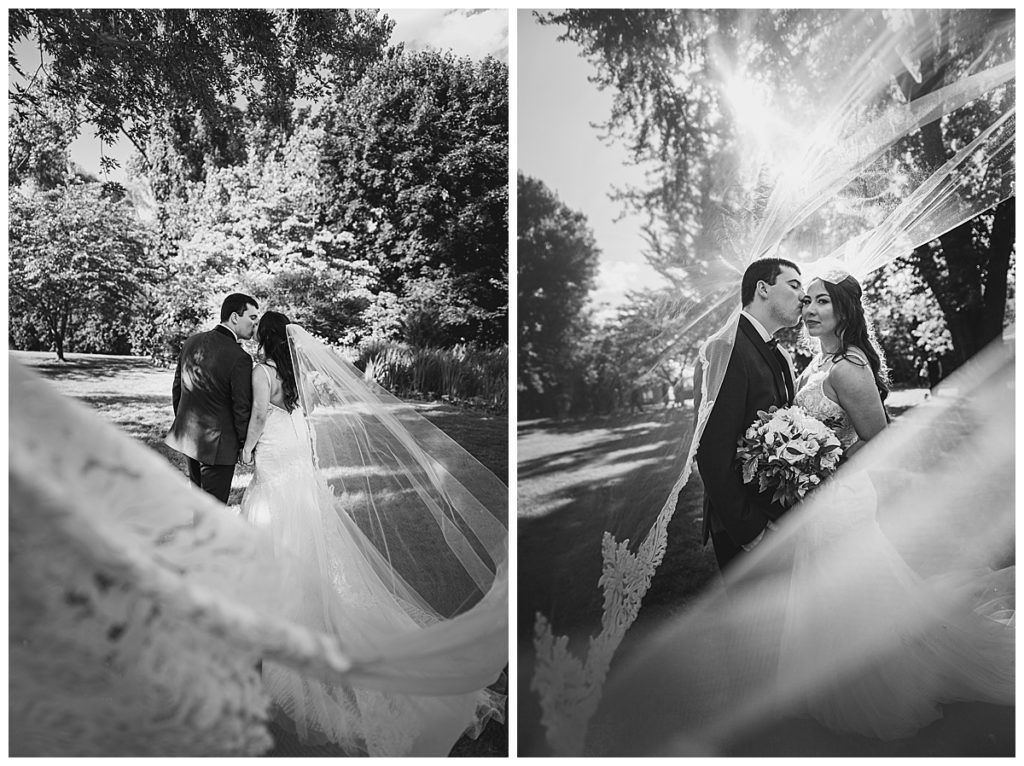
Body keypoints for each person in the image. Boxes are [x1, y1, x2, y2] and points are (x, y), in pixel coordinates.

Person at [237, 311, 505, 756]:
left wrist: (247, 447)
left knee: (273, 514)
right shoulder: (293, 370)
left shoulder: (261, 371)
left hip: (272, 447)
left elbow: (262, 413)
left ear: (263, 336)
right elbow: (306, 409)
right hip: (298, 447)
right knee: (302, 514)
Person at [777, 270, 1014, 740]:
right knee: (826, 589)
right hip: (819, 497)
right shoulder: (815, 365)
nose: (809, 310)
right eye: (806, 301)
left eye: (822, 302)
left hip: (843, 496)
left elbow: (877, 435)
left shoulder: (849, 366)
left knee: (854, 591)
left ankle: (876, 687)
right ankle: (830, 677)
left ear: (844, 309)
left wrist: (821, 467)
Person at [695, 257, 805, 571]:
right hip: (745, 526)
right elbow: (712, 450)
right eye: (794, 285)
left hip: (777, 512)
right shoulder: (724, 347)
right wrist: (750, 531)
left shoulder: (780, 352)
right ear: (763, 289)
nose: (803, 296)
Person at [164, 293, 259, 504]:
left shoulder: (191, 342)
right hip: (219, 448)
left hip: (190, 438)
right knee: (213, 511)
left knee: (200, 506)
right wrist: (246, 446)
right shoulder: (239, 357)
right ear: (235, 317)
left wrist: (185, 425)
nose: (255, 323)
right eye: (252, 317)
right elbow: (241, 408)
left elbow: (177, 390)